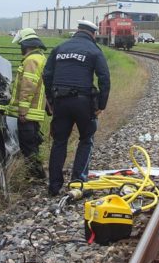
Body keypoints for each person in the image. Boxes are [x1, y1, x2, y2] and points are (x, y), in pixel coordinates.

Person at [43, 20, 111, 196]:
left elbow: (47, 75)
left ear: (77, 31)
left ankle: (54, 186)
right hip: (83, 103)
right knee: (86, 139)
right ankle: (78, 182)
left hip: (60, 101)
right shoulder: (94, 50)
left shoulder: (59, 48)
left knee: (59, 142)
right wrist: (101, 105)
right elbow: (104, 78)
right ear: (93, 34)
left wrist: (50, 100)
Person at [0, 28, 48, 179]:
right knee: (32, 144)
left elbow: (28, 86)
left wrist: (22, 110)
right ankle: (37, 174)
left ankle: (37, 176)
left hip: (28, 113)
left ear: (25, 45)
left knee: (28, 147)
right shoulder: (39, 58)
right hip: (33, 112)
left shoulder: (31, 60)